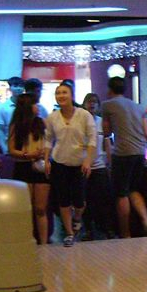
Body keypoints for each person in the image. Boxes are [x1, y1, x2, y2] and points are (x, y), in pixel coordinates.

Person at [102, 76, 147, 238]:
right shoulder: (139, 107)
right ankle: (146, 220)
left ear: (109, 89)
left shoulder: (107, 105)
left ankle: (125, 233)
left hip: (122, 153)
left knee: (122, 193)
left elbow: (106, 131)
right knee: (134, 189)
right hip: (139, 152)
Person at [44, 83, 95, 246]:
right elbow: (48, 139)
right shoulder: (52, 117)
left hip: (79, 163)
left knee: (79, 201)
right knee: (63, 199)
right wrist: (46, 160)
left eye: (64, 92)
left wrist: (88, 160)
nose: (61, 96)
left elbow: (92, 139)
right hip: (59, 162)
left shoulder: (84, 115)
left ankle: (77, 217)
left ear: (72, 95)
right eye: (58, 93)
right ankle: (69, 233)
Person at [8, 94, 51, 245]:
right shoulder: (16, 126)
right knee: (25, 208)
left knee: (41, 208)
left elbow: (50, 143)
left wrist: (45, 155)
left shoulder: (42, 122)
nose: (37, 107)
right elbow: (11, 150)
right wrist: (28, 155)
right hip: (23, 166)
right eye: (34, 104)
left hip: (40, 166)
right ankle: (26, 241)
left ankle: (44, 242)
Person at [81, 93, 115, 240]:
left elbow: (107, 143)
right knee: (86, 199)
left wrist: (110, 163)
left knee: (104, 199)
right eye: (89, 102)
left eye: (95, 102)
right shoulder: (80, 122)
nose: (92, 104)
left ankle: (107, 228)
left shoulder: (102, 122)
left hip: (100, 165)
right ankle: (88, 229)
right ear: (84, 104)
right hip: (84, 166)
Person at [0, 76, 24, 155]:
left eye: (21, 86)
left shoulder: (28, 106)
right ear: (10, 88)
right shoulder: (2, 107)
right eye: (15, 86)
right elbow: (0, 130)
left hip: (26, 144)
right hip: (10, 144)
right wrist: (5, 149)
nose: (18, 88)